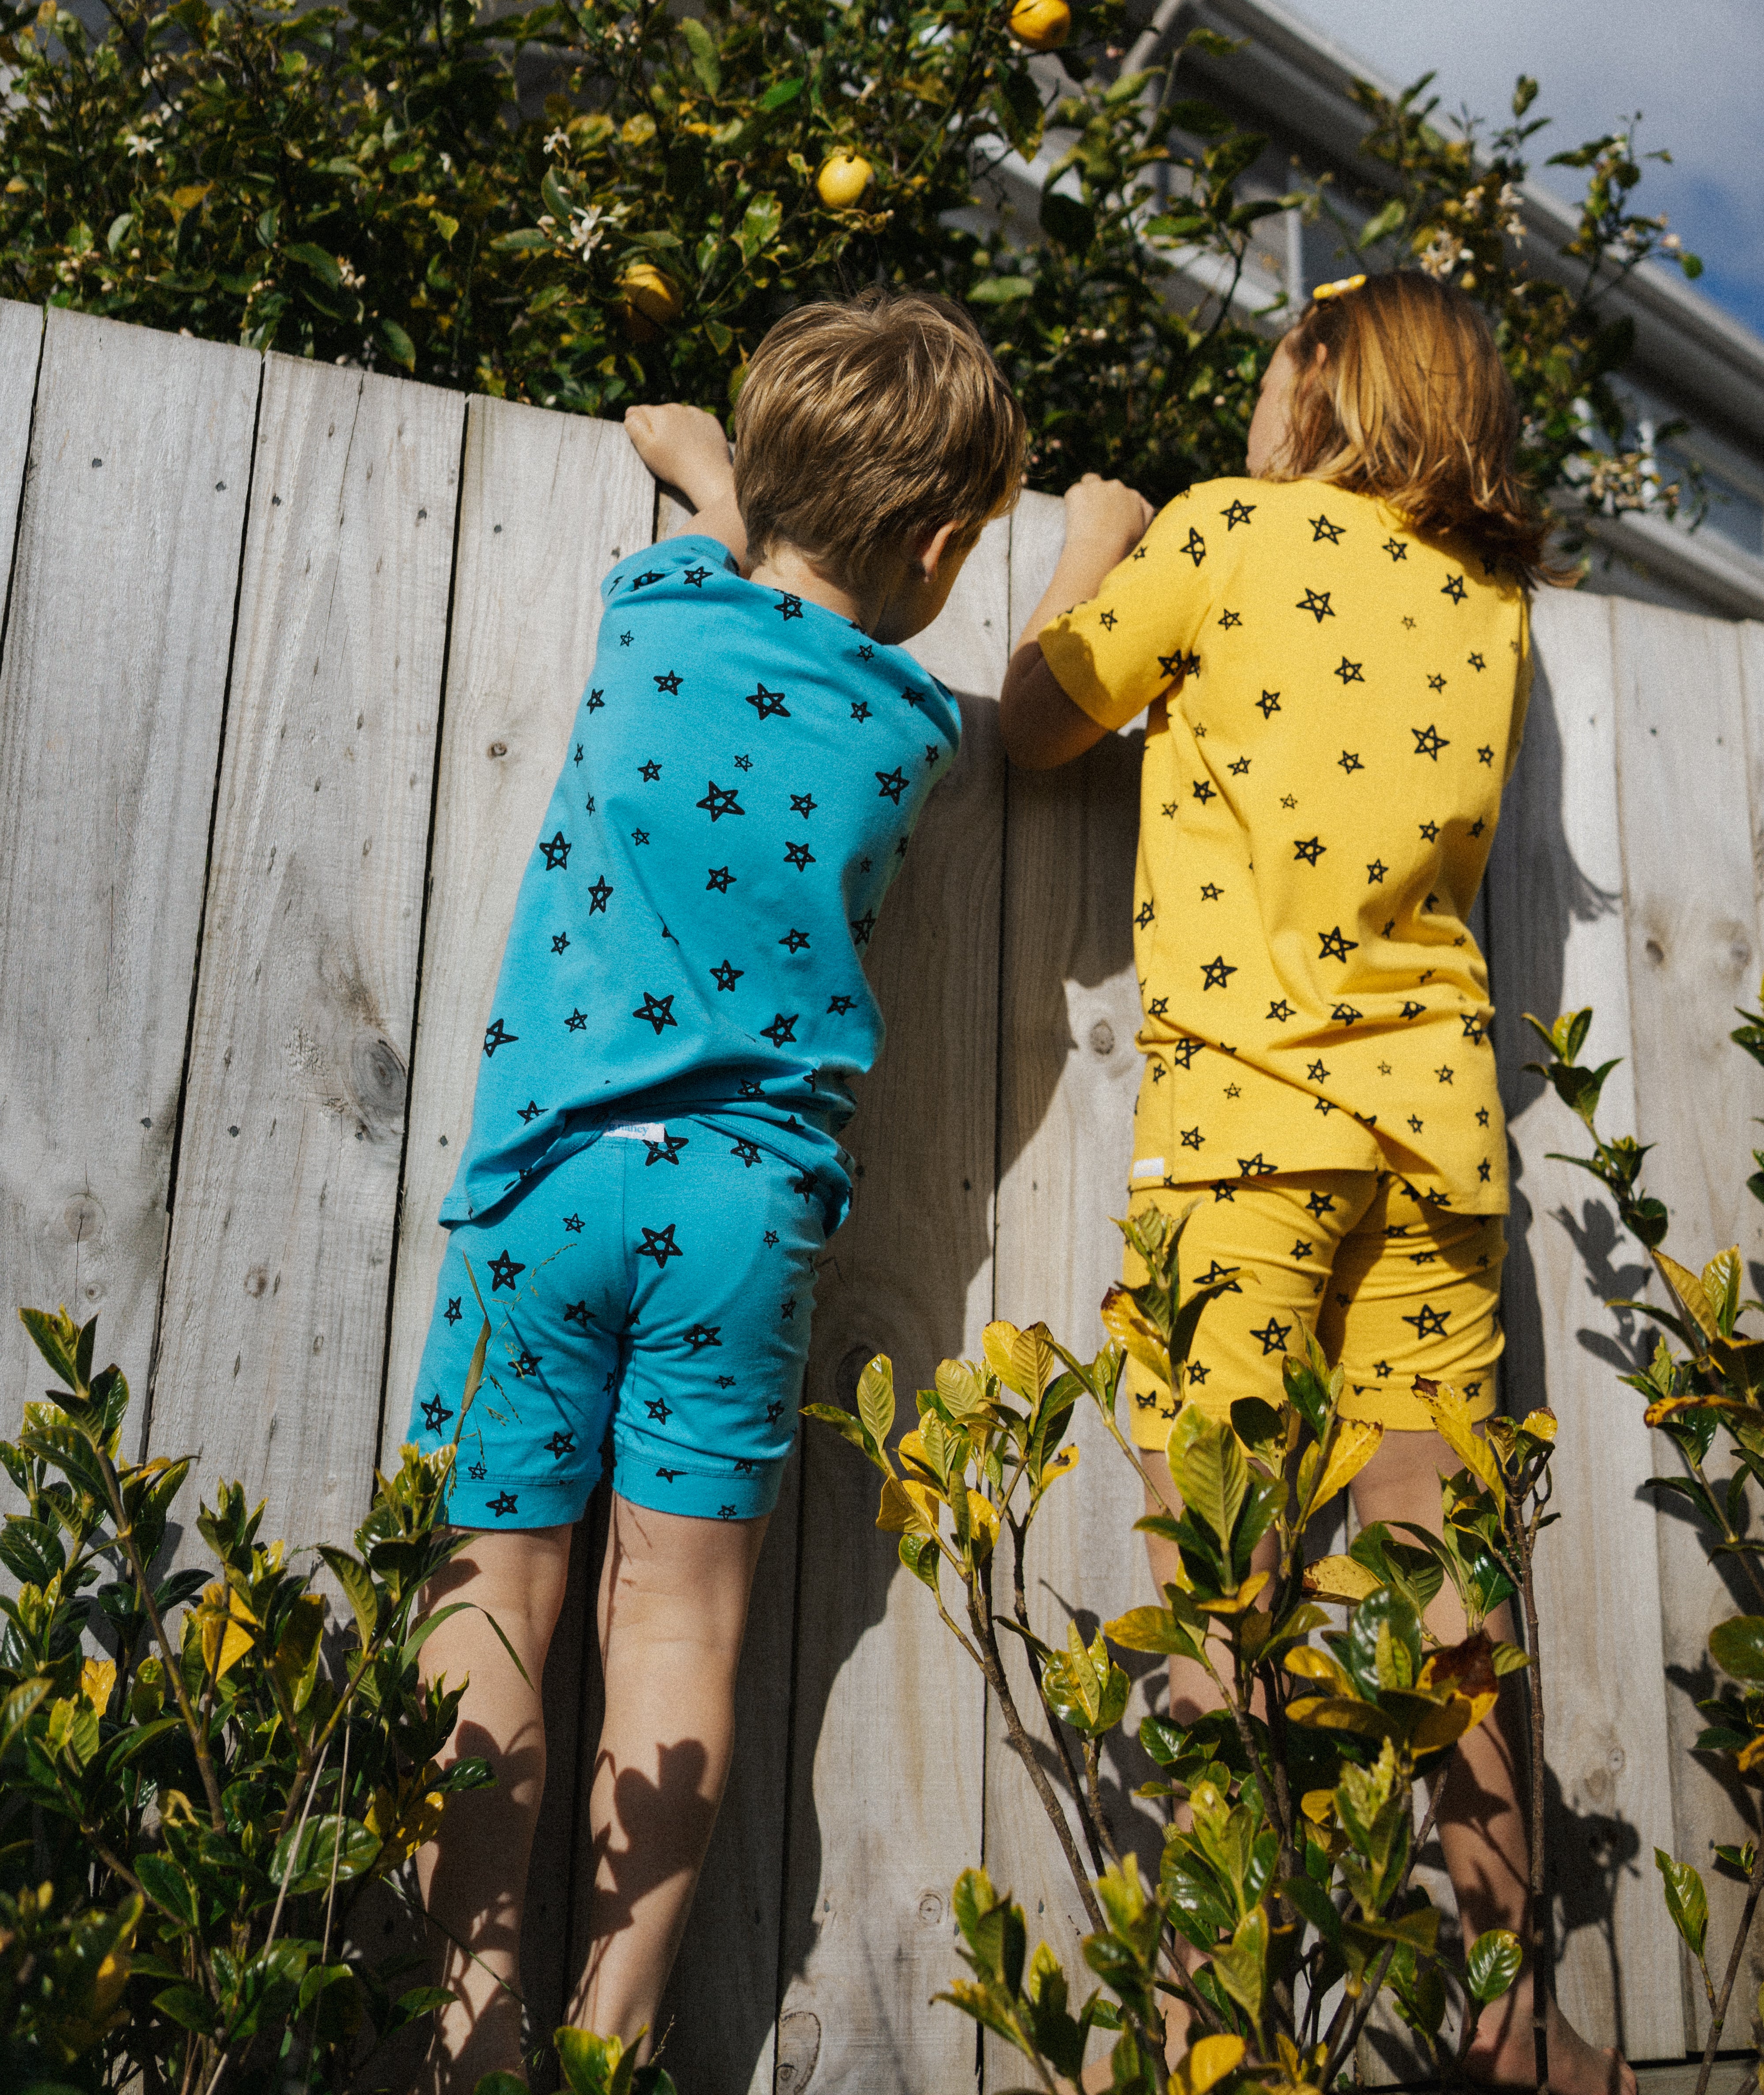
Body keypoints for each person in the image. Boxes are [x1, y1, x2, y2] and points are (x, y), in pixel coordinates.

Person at [997, 269, 1631, 2095]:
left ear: (1321, 387)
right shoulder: (1485, 608)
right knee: (1444, 1580)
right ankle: (1522, 2019)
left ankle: (1219, 2026)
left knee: (1229, 1578)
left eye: (1276, 370)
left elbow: (1037, 723)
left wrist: (1092, 543)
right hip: (1436, 1142)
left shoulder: (1218, 534)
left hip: (1251, 1138)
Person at [407, 289, 1026, 2090]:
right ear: (934, 545)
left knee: (494, 1592)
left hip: (549, 1186)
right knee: (681, 1624)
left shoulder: (658, 610)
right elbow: (804, 582)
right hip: (742, 1219)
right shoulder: (909, 726)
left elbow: (697, 493)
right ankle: (606, 2050)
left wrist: (703, 460)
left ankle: (469, 2034)